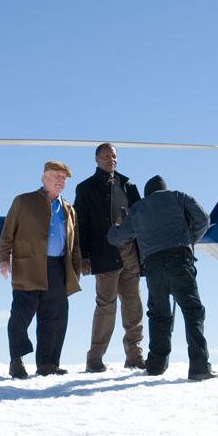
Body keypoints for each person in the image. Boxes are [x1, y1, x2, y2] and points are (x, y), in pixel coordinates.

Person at [107, 175, 216, 380]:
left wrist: (117, 225)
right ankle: (199, 367)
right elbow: (204, 219)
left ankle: (156, 365)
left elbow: (117, 238)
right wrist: (189, 239)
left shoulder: (138, 208)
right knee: (192, 312)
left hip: (153, 267)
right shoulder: (178, 197)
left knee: (159, 315)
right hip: (179, 261)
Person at [0, 161, 82, 379]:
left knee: (54, 318)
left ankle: (48, 364)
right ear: (44, 177)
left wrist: (75, 270)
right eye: (56, 176)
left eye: (64, 178)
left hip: (58, 267)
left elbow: (74, 244)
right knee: (21, 315)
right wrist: (3, 259)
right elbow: (7, 233)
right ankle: (16, 361)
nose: (60, 181)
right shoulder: (23, 201)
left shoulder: (69, 209)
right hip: (28, 266)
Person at [73, 143, 145, 372]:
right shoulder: (85, 188)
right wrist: (83, 255)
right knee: (105, 306)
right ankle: (94, 358)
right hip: (103, 254)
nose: (110, 159)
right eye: (105, 156)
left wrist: (144, 254)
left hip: (130, 253)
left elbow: (142, 220)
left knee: (133, 304)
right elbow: (79, 224)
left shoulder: (129, 185)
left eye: (113, 156)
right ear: (96, 159)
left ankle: (135, 356)